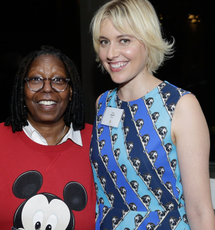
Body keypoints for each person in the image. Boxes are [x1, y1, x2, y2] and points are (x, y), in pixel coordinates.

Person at [89, 0, 215, 229]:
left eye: (124, 40)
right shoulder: (103, 103)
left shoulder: (180, 105)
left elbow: (199, 210)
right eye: (104, 42)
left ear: (147, 41)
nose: (110, 53)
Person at [0, 46, 96, 230]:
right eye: (36, 79)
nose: (47, 88)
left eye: (58, 80)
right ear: (22, 90)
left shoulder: (98, 142)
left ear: (71, 91)